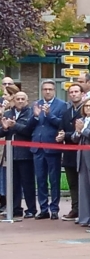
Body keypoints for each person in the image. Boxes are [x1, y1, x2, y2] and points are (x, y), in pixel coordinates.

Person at [30, 80, 65, 220]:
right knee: (40, 179)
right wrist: (36, 116)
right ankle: (43, 208)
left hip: (52, 147)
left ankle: (54, 209)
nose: (47, 91)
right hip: (37, 147)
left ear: (54, 90)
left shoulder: (62, 105)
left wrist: (49, 114)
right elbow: (30, 126)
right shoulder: (36, 104)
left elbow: (61, 124)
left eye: (50, 89)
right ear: (42, 90)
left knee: (54, 179)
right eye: (45, 89)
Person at [0, 91, 37, 219]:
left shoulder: (31, 113)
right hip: (10, 154)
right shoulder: (7, 114)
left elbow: (28, 131)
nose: (20, 101)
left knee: (28, 183)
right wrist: (4, 128)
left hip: (25, 154)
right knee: (13, 183)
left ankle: (31, 209)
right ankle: (15, 209)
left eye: (23, 99)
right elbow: (1, 133)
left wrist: (15, 126)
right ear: (13, 100)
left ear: (27, 101)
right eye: (17, 99)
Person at [72, 97, 90, 227]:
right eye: (86, 106)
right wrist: (78, 132)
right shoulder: (81, 120)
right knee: (83, 188)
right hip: (81, 156)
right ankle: (84, 217)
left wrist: (83, 130)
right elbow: (74, 138)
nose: (88, 108)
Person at [57, 84, 84, 221]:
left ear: (82, 94)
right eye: (71, 92)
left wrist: (66, 135)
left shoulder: (86, 111)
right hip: (68, 153)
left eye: (76, 92)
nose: (74, 94)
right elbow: (61, 129)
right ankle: (75, 208)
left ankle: (84, 209)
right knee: (72, 183)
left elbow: (81, 133)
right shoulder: (66, 113)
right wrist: (60, 136)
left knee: (83, 183)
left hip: (83, 153)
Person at [0, 85, 20, 215]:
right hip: (3, 151)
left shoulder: (14, 112)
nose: (3, 97)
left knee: (11, 178)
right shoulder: (4, 112)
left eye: (6, 95)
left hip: (14, 150)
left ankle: (12, 205)